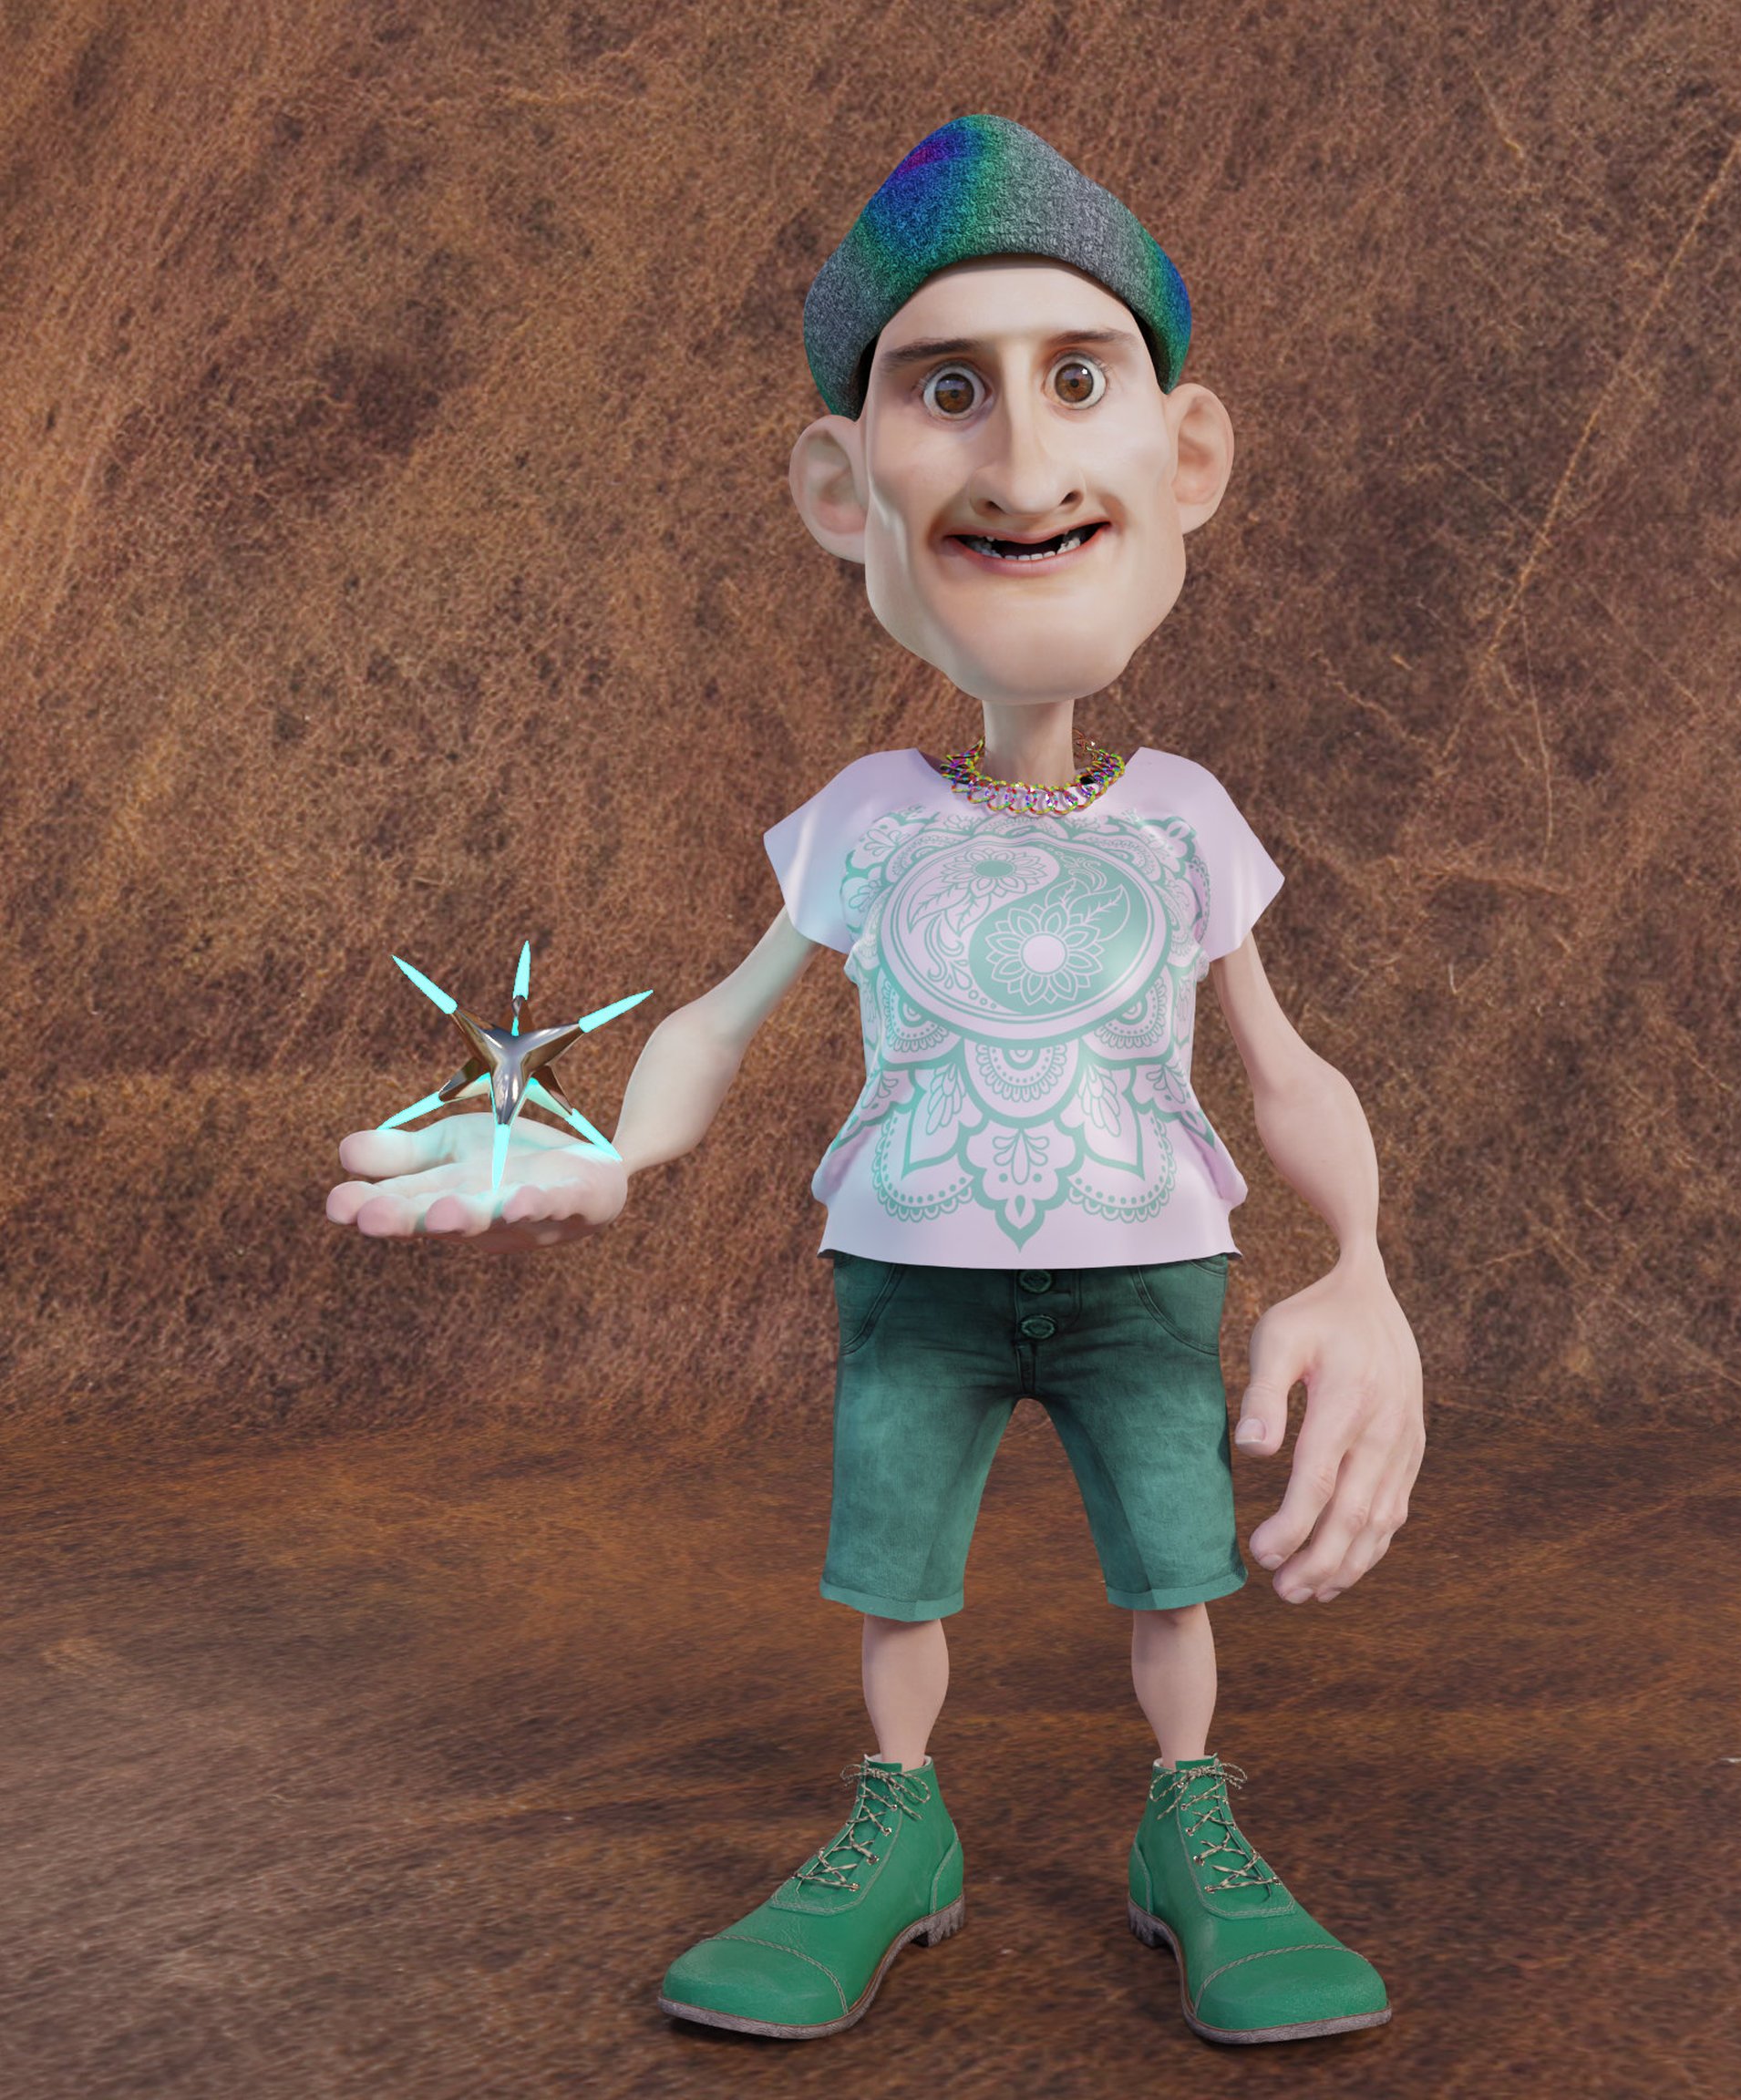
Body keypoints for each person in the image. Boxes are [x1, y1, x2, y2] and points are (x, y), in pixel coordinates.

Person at [328, 114, 1425, 2047]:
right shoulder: (863, 816)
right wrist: (621, 1155)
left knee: (1173, 1582)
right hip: (911, 1274)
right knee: (896, 1581)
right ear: (844, 489)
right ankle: (898, 1827)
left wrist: (1364, 1267)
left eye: (1076, 381)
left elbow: (1281, 1061)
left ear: (1183, 458)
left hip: (1147, 1272)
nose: (1022, 463)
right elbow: (723, 1016)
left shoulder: (1185, 819)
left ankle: (1192, 1827)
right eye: (948, 390)